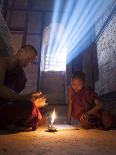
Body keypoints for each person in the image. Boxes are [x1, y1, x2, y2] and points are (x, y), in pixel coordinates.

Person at [0, 45, 46, 131]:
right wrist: (25, 97)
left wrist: (33, 100)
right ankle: (12, 123)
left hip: (7, 105)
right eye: (28, 59)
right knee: (30, 108)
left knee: (38, 108)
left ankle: (11, 123)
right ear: (21, 51)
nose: (28, 63)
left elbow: (12, 97)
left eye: (31, 61)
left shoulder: (21, 77)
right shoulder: (2, 62)